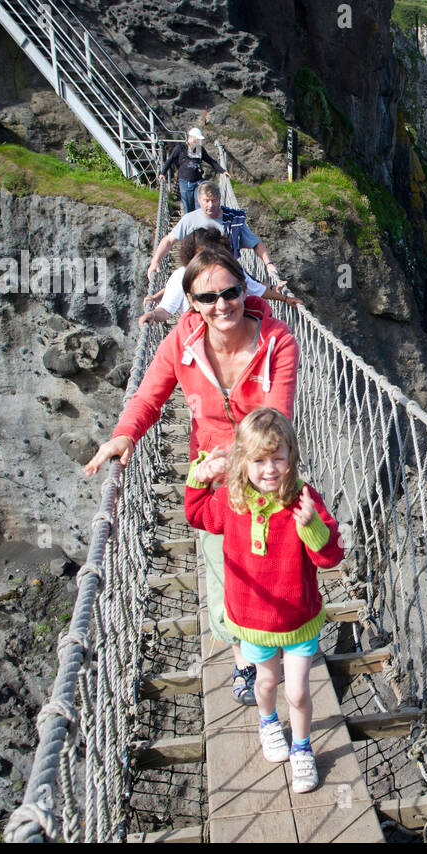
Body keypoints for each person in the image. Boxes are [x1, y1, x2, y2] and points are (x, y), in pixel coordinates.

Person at [84, 246, 299, 706]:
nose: (222, 304)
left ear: (245, 291)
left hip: (265, 470)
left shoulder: (278, 342)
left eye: (231, 292)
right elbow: (147, 398)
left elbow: (277, 417)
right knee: (226, 564)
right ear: (191, 303)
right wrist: (125, 436)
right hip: (213, 478)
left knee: (274, 564)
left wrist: (236, 458)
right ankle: (246, 657)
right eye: (207, 297)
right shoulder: (179, 344)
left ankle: (281, 634)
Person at [184, 408, 342, 792]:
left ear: (292, 457)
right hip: (252, 619)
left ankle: (302, 748)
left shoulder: (304, 499)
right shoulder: (232, 500)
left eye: (278, 459)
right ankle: (269, 722)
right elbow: (197, 515)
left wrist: (311, 526)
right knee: (267, 681)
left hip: (298, 617)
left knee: (299, 690)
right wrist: (199, 477)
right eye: (258, 460)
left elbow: (331, 557)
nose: (269, 469)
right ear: (242, 461)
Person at [139, 229, 301, 326]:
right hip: (198, 341)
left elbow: (257, 289)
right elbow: (166, 309)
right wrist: (152, 314)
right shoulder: (182, 275)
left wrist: (285, 299)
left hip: (233, 335)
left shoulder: (231, 269)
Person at [146, 182, 284, 290]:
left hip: (227, 273)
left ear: (220, 199)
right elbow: (169, 240)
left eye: (214, 200)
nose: (211, 205)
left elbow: (255, 244)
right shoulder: (189, 220)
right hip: (199, 273)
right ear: (199, 200)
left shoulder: (233, 220)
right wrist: (155, 261)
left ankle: (276, 290)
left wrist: (268, 263)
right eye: (206, 200)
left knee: (249, 288)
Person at [160, 127, 228, 217]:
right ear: (192, 138)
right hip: (185, 181)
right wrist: (162, 173)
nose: (199, 141)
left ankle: (201, 225)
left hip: (198, 182)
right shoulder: (180, 148)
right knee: (188, 207)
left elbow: (211, 161)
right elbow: (170, 160)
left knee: (200, 204)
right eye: (197, 139)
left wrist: (223, 171)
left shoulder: (200, 149)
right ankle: (190, 228)